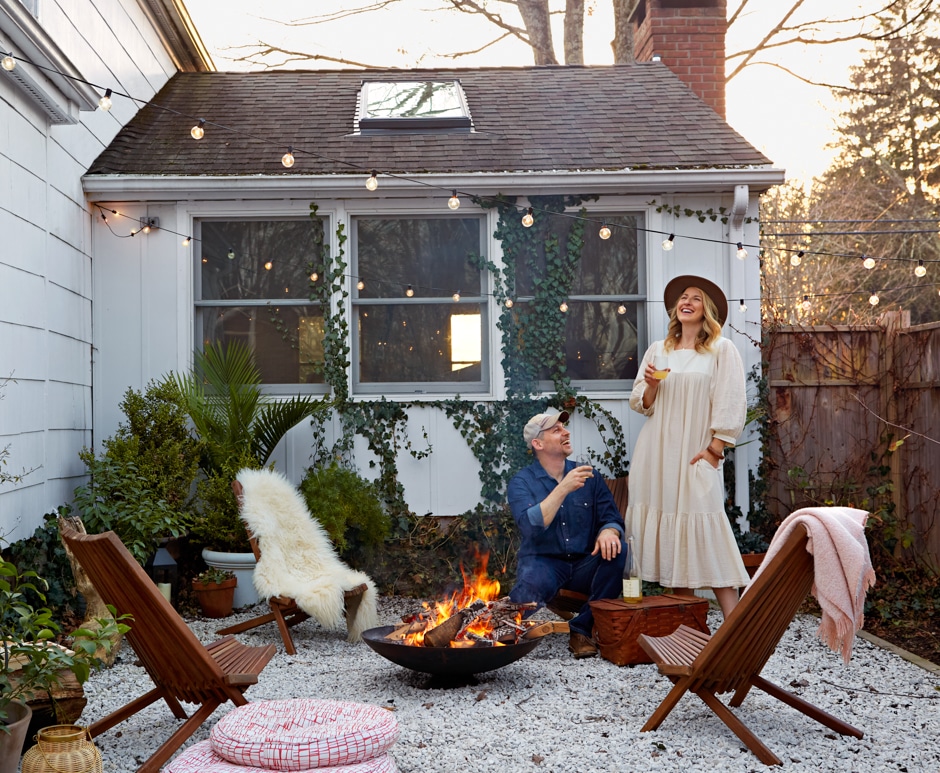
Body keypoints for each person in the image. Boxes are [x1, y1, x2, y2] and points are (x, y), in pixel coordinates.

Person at [624, 275, 749, 618]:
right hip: (657, 455)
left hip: (696, 454)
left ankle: (735, 627)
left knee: (708, 532)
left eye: (695, 297)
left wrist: (715, 449)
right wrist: (650, 385)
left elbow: (731, 401)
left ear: (706, 309)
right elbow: (643, 403)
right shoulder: (658, 350)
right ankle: (688, 627)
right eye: (682, 296)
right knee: (676, 547)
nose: (686, 301)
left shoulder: (721, 350)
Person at [507, 410, 627, 658]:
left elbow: (611, 518)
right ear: (538, 444)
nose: (566, 431)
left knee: (619, 548)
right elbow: (530, 526)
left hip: (584, 564)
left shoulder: (589, 477)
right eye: (556, 430)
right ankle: (489, 629)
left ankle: (581, 628)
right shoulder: (522, 482)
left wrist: (608, 531)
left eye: (564, 427)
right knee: (509, 620)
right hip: (543, 564)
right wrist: (562, 488)